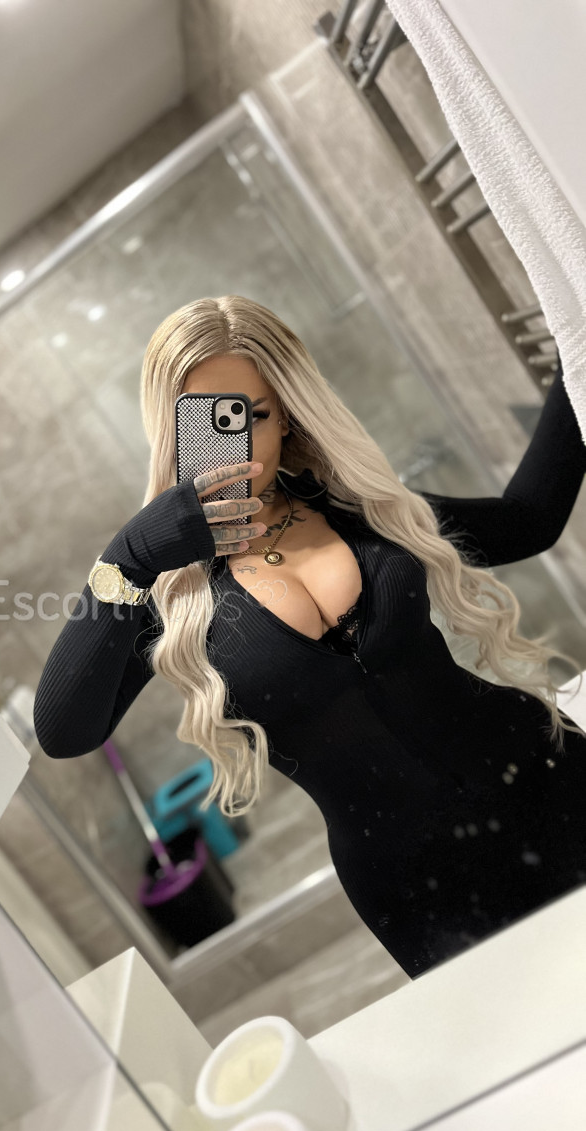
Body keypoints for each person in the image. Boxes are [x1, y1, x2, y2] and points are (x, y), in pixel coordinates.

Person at [33, 295, 586, 977]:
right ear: (170, 427)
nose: (231, 443)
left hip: (546, 777)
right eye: (205, 418)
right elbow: (63, 732)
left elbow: (528, 520)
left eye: (253, 414)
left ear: (288, 412)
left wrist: (577, 347)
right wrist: (126, 560)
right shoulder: (168, 592)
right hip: (415, 887)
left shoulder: (361, 510)